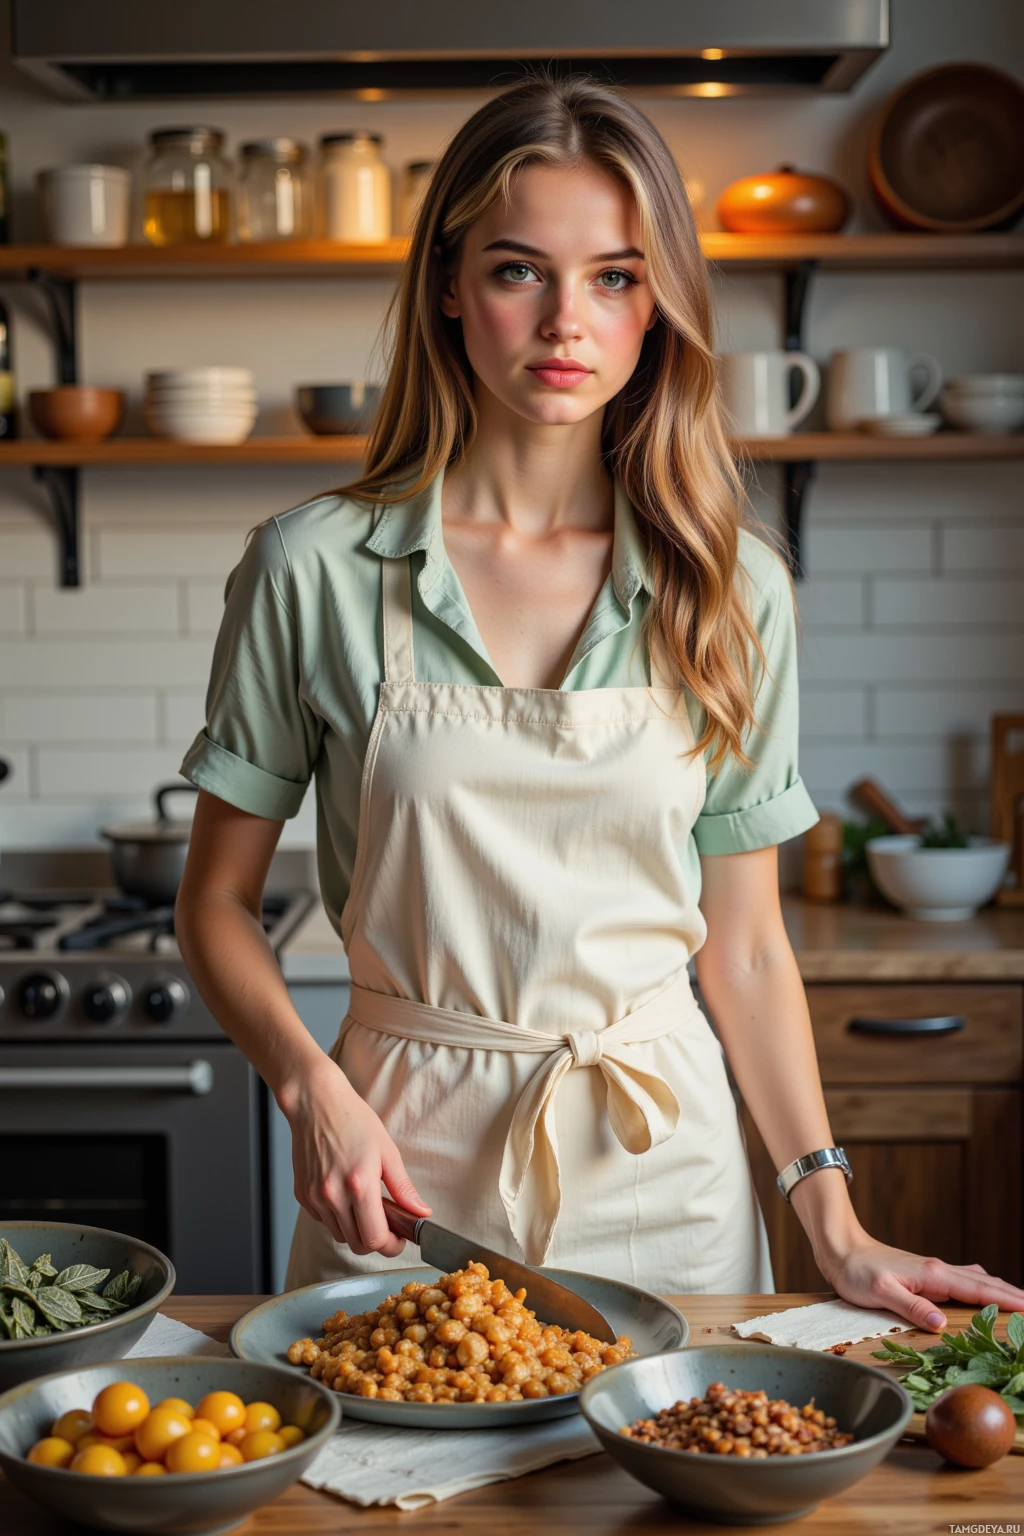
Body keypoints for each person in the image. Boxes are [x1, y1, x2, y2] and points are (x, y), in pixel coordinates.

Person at [176, 72, 1024, 1326]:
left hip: (662, 1174)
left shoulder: (730, 584)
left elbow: (740, 946)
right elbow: (216, 906)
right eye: (520, 269)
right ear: (450, 288)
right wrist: (314, 1091)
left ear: (659, 306)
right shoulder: (312, 568)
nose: (566, 320)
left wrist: (830, 1225)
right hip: (400, 1170)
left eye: (615, 276)